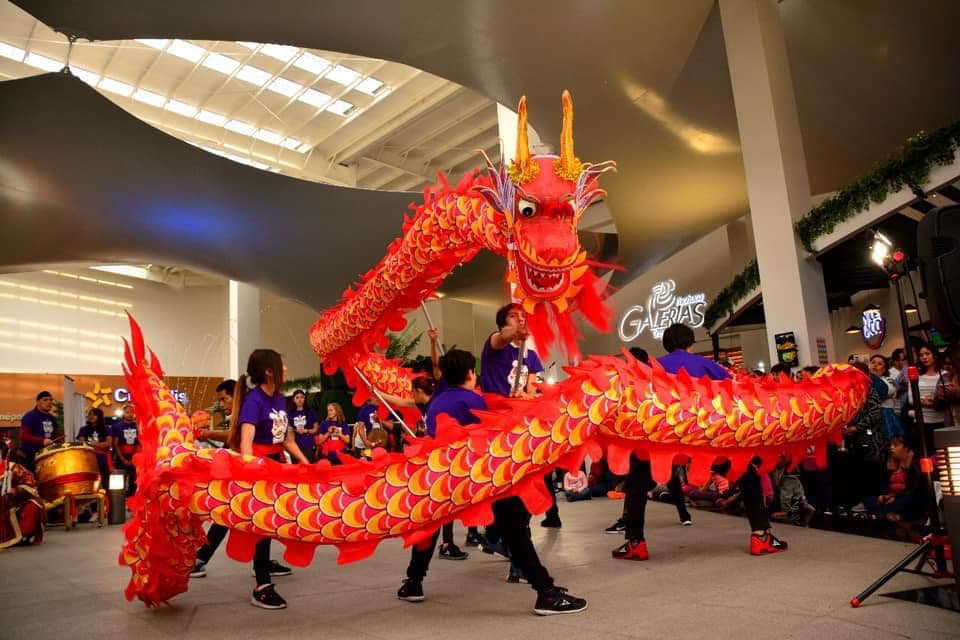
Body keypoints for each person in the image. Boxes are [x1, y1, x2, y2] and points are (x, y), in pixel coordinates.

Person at [397, 349, 586, 615]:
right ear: (470, 373)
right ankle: (545, 592)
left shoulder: (437, 402)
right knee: (517, 529)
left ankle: (413, 582)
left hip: (445, 481)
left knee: (428, 530)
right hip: (480, 481)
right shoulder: (473, 401)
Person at [194, 358, 307, 609]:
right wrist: (251, 469)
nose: (286, 369)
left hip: (275, 467)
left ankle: (260, 569)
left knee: (266, 523)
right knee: (256, 523)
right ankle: (262, 582)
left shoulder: (278, 398)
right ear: (269, 371)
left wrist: (306, 464)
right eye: (282, 365)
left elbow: (286, 438)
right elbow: (245, 441)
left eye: (224, 399)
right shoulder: (254, 401)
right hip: (255, 469)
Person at [863, 437, 924, 522]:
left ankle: (879, 515)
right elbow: (885, 486)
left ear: (906, 448)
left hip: (905, 498)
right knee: (868, 499)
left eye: (895, 445)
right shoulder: (892, 463)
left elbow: (914, 489)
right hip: (892, 498)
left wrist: (895, 497)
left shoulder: (915, 465)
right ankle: (890, 515)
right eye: (891, 445)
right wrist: (885, 496)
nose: (891, 447)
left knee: (906, 501)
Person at [0, 440, 45, 546]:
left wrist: (18, 489)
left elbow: (31, 483)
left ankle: (23, 535)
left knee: (34, 506)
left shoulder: (13, 467)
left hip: (14, 505)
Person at [908, 342, 949, 454]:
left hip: (941, 421)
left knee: (942, 455)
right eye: (921, 355)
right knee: (925, 454)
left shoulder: (945, 374)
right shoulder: (915, 376)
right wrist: (922, 401)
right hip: (921, 422)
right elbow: (911, 400)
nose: (924, 357)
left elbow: (948, 397)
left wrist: (935, 401)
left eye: (927, 354)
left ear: (934, 355)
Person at [17, 391, 58, 471]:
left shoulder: (52, 419)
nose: (49, 402)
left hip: (44, 457)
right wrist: (42, 441)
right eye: (45, 400)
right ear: (38, 402)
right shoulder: (30, 416)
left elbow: (53, 437)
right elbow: (23, 436)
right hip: (28, 458)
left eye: (51, 400)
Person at [869, 354, 904, 439]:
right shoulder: (865, 380)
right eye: (873, 362)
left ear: (884, 369)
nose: (875, 365)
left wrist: (872, 375)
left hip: (886, 415)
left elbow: (886, 392)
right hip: (870, 417)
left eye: (879, 364)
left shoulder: (888, 380)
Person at [78, 408, 112, 491]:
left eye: (94, 414)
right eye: (90, 414)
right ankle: (91, 503)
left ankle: (106, 502)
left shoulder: (106, 428)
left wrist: (94, 444)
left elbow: (109, 443)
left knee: (105, 482)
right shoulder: (83, 429)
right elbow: (82, 443)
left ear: (99, 416)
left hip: (102, 459)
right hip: (88, 460)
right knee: (89, 482)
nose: (91, 416)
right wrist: (99, 445)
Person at [109, 404, 140, 496]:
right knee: (120, 479)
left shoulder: (139, 425)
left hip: (136, 456)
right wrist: (122, 458)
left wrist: (134, 457)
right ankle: (119, 499)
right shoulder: (116, 426)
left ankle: (132, 499)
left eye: (132, 412)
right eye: (127, 412)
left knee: (134, 480)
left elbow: (140, 442)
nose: (130, 414)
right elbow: (115, 444)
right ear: (123, 414)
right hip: (121, 455)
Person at [197, 379, 236, 447]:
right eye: (219, 401)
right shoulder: (235, 417)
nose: (221, 405)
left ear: (236, 397)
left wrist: (208, 434)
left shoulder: (246, 413)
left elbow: (233, 435)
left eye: (224, 399)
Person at [288, 390, 319, 463]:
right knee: (297, 470)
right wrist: (294, 430)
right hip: (294, 446)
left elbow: (316, 429)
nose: (300, 399)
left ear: (304, 399)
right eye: (297, 397)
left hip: (308, 445)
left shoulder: (311, 412)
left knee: (309, 468)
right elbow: (288, 431)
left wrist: (306, 431)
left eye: (302, 397)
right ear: (293, 399)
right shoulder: (289, 414)